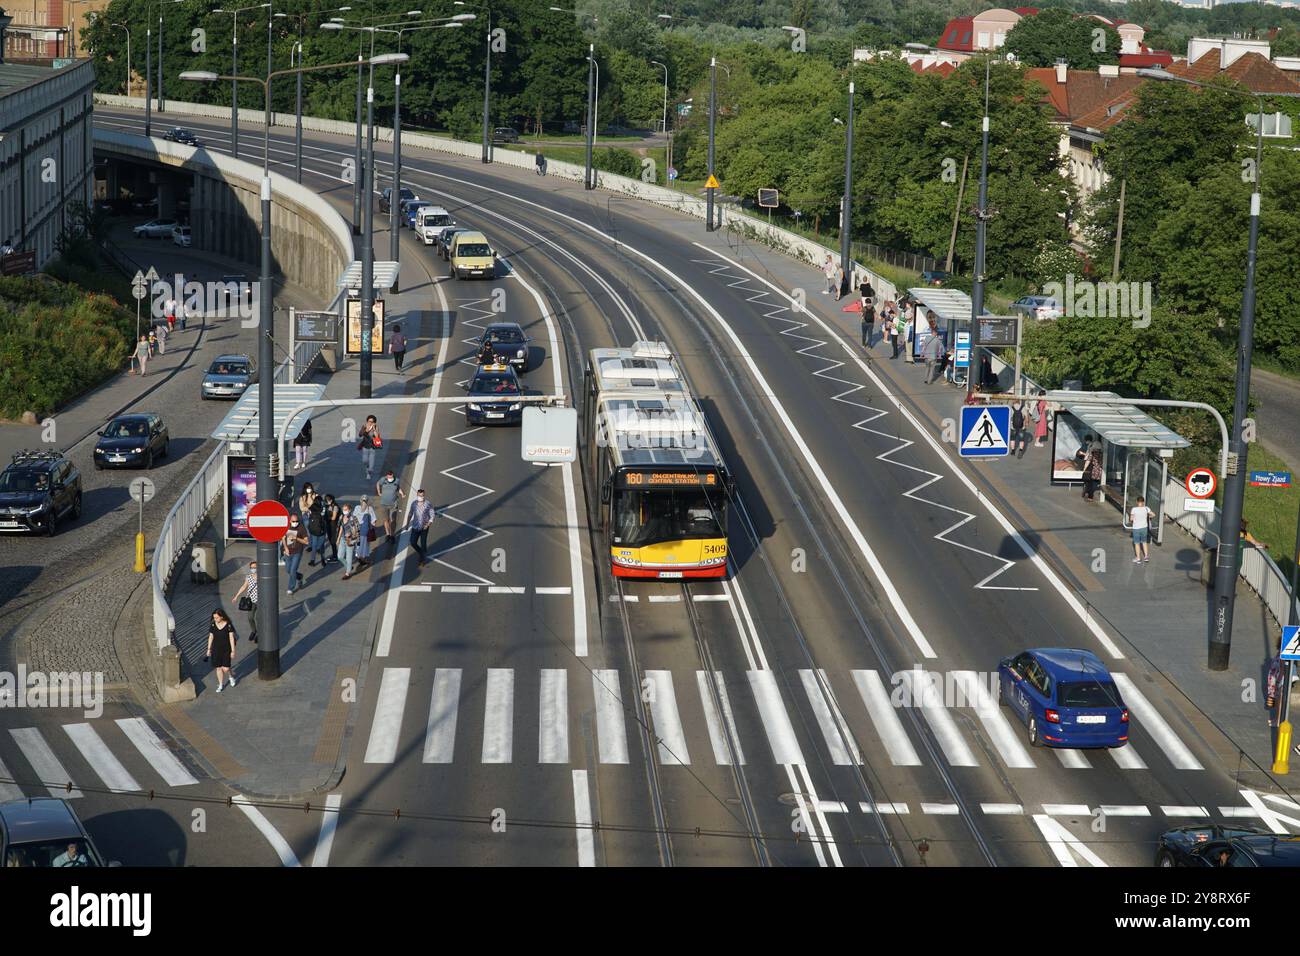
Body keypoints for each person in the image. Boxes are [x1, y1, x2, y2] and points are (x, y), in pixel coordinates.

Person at [204, 608, 238, 693]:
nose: (215, 619)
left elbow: (231, 638)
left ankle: (230, 676)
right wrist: (209, 649)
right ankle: (220, 684)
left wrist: (233, 651)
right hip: (216, 649)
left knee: (225, 668)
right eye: (214, 617)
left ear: (222, 617)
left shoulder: (228, 625)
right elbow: (211, 637)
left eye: (217, 618)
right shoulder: (213, 625)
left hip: (226, 649)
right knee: (218, 668)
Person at [405, 488, 436, 568]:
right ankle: (421, 552)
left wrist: (428, 524)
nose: (420, 497)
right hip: (415, 527)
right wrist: (407, 524)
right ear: (417, 495)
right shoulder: (414, 504)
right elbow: (410, 514)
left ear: (424, 495)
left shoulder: (428, 504)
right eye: (419, 495)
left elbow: (432, 515)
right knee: (412, 542)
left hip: (424, 528)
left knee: (423, 543)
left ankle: (422, 559)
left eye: (422, 496)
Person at [281, 514, 308, 595]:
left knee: (293, 570)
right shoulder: (286, 527)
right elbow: (283, 538)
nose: (295, 523)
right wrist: (285, 548)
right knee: (288, 570)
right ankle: (299, 577)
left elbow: (306, 541)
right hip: (288, 552)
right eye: (293, 521)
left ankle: (290, 588)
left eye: (297, 521)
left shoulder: (301, 528)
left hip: (297, 552)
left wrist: (296, 538)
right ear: (290, 521)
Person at [233, 560, 258, 644]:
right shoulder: (248, 577)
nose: (253, 569)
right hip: (251, 600)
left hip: (261, 601)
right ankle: (254, 631)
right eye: (252, 568)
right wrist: (236, 596)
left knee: (259, 618)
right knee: (250, 617)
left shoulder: (262, 576)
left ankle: (259, 635)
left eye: (255, 567)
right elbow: (244, 586)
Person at [376, 469, 405, 541]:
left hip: (393, 504)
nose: (389, 477)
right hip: (384, 503)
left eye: (391, 475)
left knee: (393, 520)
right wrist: (379, 492)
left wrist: (402, 493)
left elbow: (398, 488)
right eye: (388, 475)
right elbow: (378, 483)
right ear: (387, 475)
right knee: (386, 520)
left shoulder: (397, 480)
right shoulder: (383, 479)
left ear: (392, 475)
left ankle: (392, 535)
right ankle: (388, 534)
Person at [337, 502, 362, 579]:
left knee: (349, 557)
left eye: (346, 509)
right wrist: (338, 539)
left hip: (350, 540)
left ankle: (347, 573)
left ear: (350, 510)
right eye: (343, 509)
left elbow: (358, 530)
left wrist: (351, 535)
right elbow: (341, 527)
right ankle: (349, 566)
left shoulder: (353, 518)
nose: (344, 511)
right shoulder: (341, 517)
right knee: (340, 556)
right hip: (342, 539)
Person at [1130, 495, 1153, 563]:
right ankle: (1146, 557)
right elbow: (1153, 514)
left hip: (1136, 528)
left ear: (1137, 502)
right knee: (1144, 542)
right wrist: (1149, 517)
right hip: (1144, 528)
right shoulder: (1146, 508)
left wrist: (1134, 519)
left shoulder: (1134, 509)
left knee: (1137, 543)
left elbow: (1131, 519)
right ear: (1143, 502)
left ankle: (1138, 558)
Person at [306, 497, 329, 567]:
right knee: (321, 545)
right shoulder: (323, 508)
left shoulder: (311, 508)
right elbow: (325, 516)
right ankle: (323, 560)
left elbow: (308, 516)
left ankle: (312, 560)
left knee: (314, 545)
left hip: (313, 529)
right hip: (322, 529)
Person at [356, 495, 377, 567]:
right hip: (365, 531)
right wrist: (373, 527)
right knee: (365, 545)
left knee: (358, 544)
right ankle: (362, 558)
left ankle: (359, 555)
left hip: (356, 530)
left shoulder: (357, 507)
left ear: (360, 500)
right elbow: (374, 521)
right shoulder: (369, 509)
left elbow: (354, 517)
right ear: (367, 501)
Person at [358, 415, 381, 481]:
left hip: (372, 448)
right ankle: (367, 467)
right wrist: (366, 430)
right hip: (365, 447)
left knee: (371, 467)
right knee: (364, 461)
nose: (370, 423)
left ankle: (369, 473)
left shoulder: (376, 427)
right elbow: (360, 435)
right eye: (369, 421)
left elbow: (377, 437)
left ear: (374, 422)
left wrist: (374, 430)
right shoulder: (364, 426)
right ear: (367, 421)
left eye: (372, 421)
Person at [322, 493, 341, 564]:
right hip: (329, 525)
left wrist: (326, 518)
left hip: (333, 525)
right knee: (331, 540)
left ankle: (335, 556)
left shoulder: (335, 507)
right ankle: (334, 555)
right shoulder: (328, 506)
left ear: (332, 500)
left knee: (333, 541)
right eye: (326, 500)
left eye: (328, 500)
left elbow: (333, 517)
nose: (327, 502)